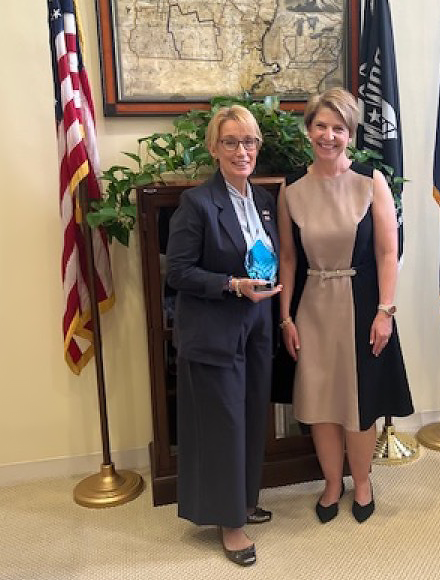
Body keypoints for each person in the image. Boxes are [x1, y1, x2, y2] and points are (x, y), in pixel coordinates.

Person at [277, 88, 413, 524]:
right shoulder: (290, 189)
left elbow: (387, 253)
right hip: (312, 307)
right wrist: (285, 318)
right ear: (309, 130)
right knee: (320, 401)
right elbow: (288, 258)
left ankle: (364, 481)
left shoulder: (371, 180)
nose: (329, 135)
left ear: (350, 134)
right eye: (321, 126)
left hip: (361, 307)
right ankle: (332, 483)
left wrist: (385, 311)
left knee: (359, 403)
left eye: (339, 128)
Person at [166, 104, 281, 566]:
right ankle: (229, 523)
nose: (241, 150)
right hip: (214, 327)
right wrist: (232, 286)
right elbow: (178, 272)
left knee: (252, 415)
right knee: (223, 425)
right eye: (231, 141)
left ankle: (244, 501)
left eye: (249, 141)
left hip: (256, 325)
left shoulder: (265, 202)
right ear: (214, 148)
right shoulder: (197, 203)